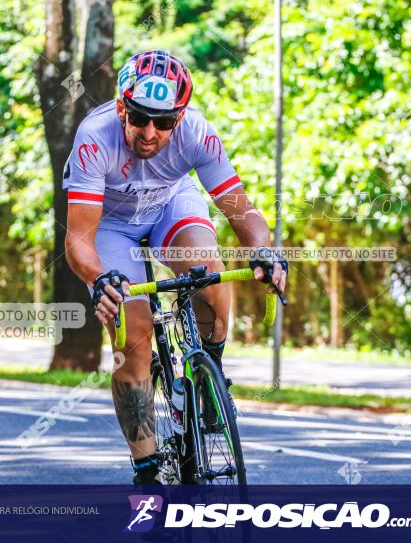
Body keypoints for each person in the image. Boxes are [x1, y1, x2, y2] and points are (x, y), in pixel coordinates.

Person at [62, 50, 287, 484]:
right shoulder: (95, 135)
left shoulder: (196, 132)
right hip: (112, 224)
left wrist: (264, 249)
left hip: (169, 203)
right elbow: (79, 238)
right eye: (141, 118)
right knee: (136, 331)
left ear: (178, 118)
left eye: (163, 123)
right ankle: (147, 470)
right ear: (123, 107)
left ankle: (209, 376)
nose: (150, 132)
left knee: (209, 268)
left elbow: (240, 208)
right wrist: (99, 279)